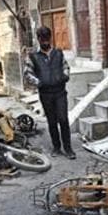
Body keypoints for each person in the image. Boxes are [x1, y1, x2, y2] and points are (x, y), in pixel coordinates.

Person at [23, 27, 75, 159]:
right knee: (52, 121)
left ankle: (68, 148)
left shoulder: (58, 53)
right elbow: (27, 73)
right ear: (39, 39)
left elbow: (66, 67)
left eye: (47, 38)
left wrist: (65, 76)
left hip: (60, 92)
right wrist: (39, 82)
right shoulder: (33, 56)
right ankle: (56, 147)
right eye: (42, 38)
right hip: (45, 94)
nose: (45, 41)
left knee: (63, 119)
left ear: (50, 38)